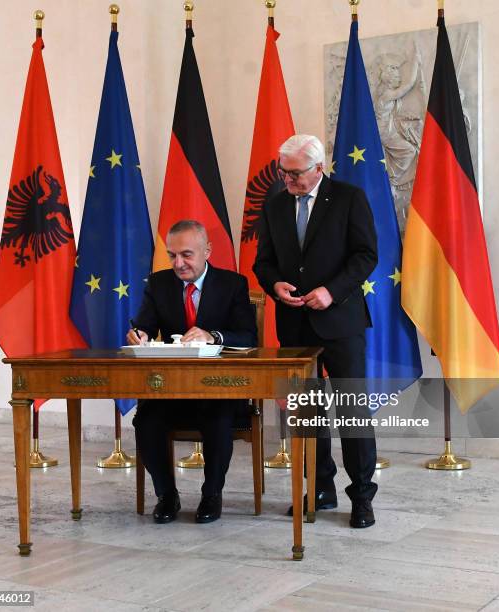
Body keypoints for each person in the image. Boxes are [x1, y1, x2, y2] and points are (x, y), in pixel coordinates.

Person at [253, 134, 378, 528]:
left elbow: (366, 255)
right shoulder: (274, 205)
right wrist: (275, 285)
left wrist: (332, 291)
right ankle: (319, 487)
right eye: (284, 173)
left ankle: (361, 496)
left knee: (352, 412)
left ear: (318, 168)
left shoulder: (348, 198)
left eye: (295, 174)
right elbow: (264, 261)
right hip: (294, 324)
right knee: (307, 413)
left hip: (340, 321)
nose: (288, 181)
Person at [128, 220, 257, 524]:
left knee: (218, 419)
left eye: (186, 255)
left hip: (218, 389)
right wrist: (139, 335)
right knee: (145, 420)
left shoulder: (232, 284)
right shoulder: (158, 284)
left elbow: (248, 336)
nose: (178, 263)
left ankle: (211, 495)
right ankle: (166, 495)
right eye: (172, 255)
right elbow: (143, 325)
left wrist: (213, 336)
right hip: (172, 389)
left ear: (207, 251)